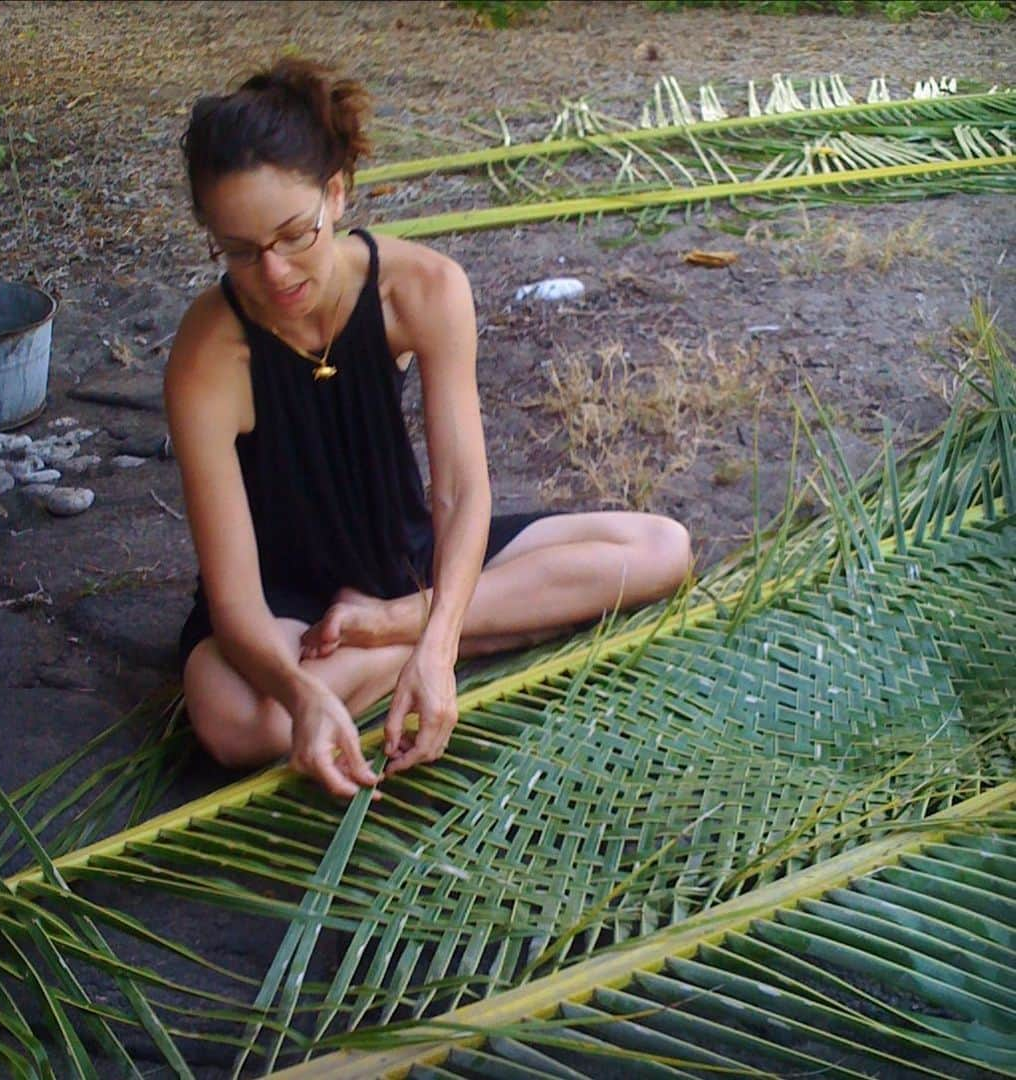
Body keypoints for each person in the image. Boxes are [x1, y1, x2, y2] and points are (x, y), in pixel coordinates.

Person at [166, 58, 692, 800]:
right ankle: (494, 624)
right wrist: (303, 695)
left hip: (406, 563)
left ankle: (397, 632)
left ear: (337, 194)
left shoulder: (425, 289)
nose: (274, 272)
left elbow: (460, 495)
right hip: (289, 613)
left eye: (294, 235)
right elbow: (234, 601)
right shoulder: (205, 356)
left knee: (660, 547)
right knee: (231, 720)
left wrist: (431, 635)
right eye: (241, 252)